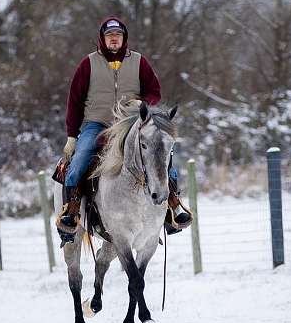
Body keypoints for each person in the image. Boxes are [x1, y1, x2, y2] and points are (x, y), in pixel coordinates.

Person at [57, 16, 191, 244]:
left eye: (118, 35)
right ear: (103, 39)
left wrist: (143, 104)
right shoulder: (88, 64)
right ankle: (70, 212)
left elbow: (154, 91)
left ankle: (172, 207)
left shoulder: (139, 61)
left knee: (159, 154)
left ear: (124, 38)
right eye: (110, 36)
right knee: (78, 161)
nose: (114, 39)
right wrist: (72, 135)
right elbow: (75, 101)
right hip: (96, 124)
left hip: (131, 123)